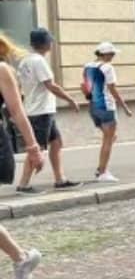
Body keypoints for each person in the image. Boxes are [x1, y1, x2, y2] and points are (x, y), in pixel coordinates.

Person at [14, 28, 81, 194]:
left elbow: (20, 87)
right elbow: (51, 85)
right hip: (41, 111)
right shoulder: (39, 61)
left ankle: (60, 179)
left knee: (56, 143)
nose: (52, 43)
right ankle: (23, 185)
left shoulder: (25, 61)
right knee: (37, 149)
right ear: (45, 43)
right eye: (50, 40)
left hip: (37, 109)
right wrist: (70, 99)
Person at [0, 33, 45, 278]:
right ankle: (22, 258)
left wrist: (33, 147)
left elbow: (17, 111)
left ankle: (21, 258)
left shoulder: (2, 70)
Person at [84, 41, 131, 182]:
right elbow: (112, 89)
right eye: (112, 54)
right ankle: (102, 172)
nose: (113, 56)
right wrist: (124, 107)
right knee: (108, 140)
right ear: (106, 54)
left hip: (93, 106)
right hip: (106, 106)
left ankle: (101, 168)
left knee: (110, 137)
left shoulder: (87, 66)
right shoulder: (108, 68)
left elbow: (84, 86)